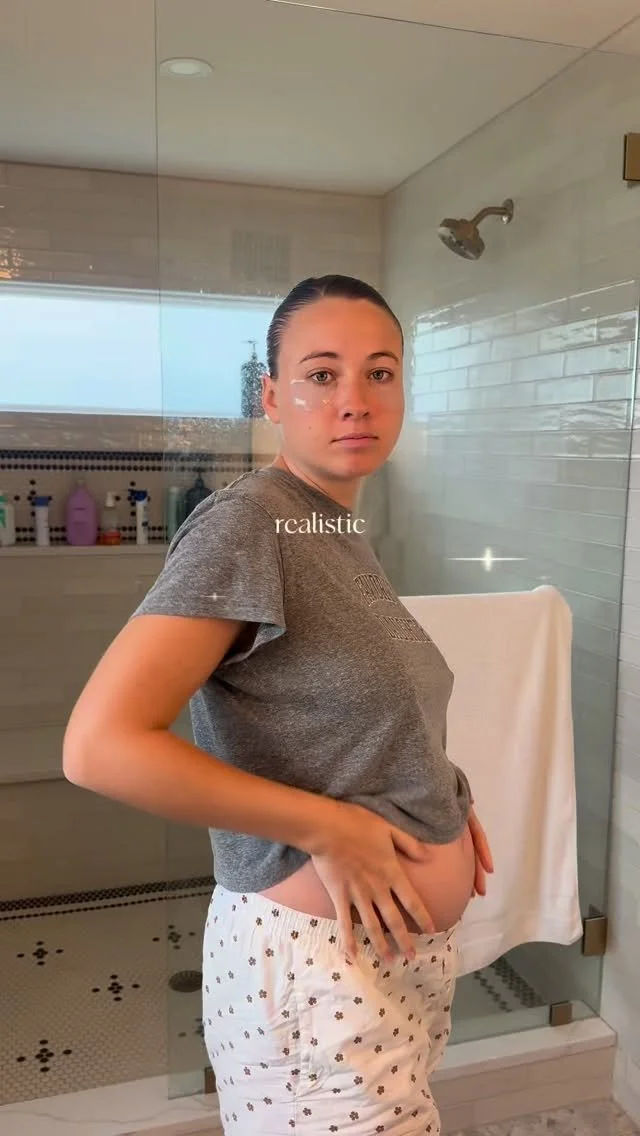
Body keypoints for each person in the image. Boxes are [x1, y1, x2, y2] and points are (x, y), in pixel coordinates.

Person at [63, 274, 493, 1135]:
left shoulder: (327, 526)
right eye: (321, 374)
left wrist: (440, 792)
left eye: (380, 372)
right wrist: (326, 827)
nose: (354, 399)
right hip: (313, 973)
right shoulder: (250, 523)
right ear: (271, 397)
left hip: (382, 962)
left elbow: (353, 709)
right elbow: (98, 746)